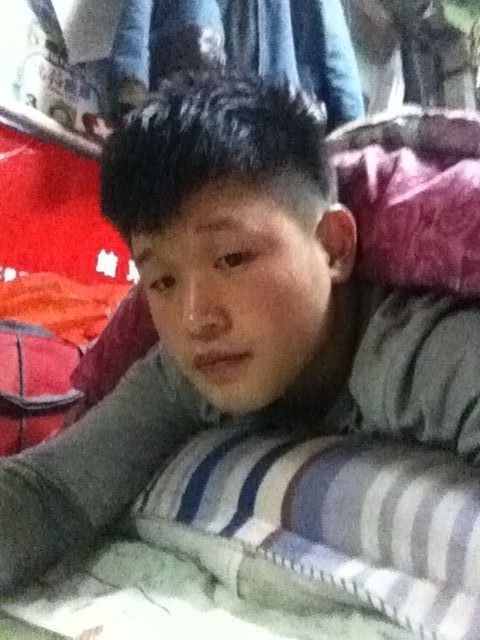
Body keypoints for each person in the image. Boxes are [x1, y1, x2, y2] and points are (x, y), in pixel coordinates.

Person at [1, 72, 480, 596]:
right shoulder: (185, 372)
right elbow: (52, 489)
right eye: (161, 280)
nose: (195, 319)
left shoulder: (423, 350)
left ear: (334, 247)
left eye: (232, 258)